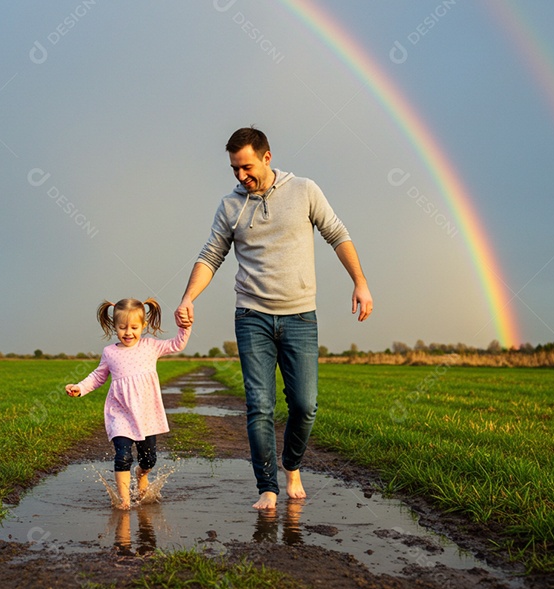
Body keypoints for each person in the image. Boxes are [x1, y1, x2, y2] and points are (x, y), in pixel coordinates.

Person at [174, 127, 373, 510]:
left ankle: (292, 464)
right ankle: (267, 487)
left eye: (246, 167)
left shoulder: (305, 191)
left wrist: (360, 283)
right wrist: (188, 297)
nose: (240, 176)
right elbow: (211, 254)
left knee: (304, 405)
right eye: (234, 169)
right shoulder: (230, 206)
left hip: (300, 316)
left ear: (267, 157)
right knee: (259, 405)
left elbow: (337, 234)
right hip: (252, 317)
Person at [66, 298, 191, 509]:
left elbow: (176, 344)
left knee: (149, 459)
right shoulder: (110, 352)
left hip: (146, 415)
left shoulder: (151, 346)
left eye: (134, 327)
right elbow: (98, 377)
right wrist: (80, 388)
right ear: (114, 326)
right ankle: (123, 500)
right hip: (120, 413)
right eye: (122, 327)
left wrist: (184, 327)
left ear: (143, 326)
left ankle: (142, 475)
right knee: (122, 456)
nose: (128, 332)